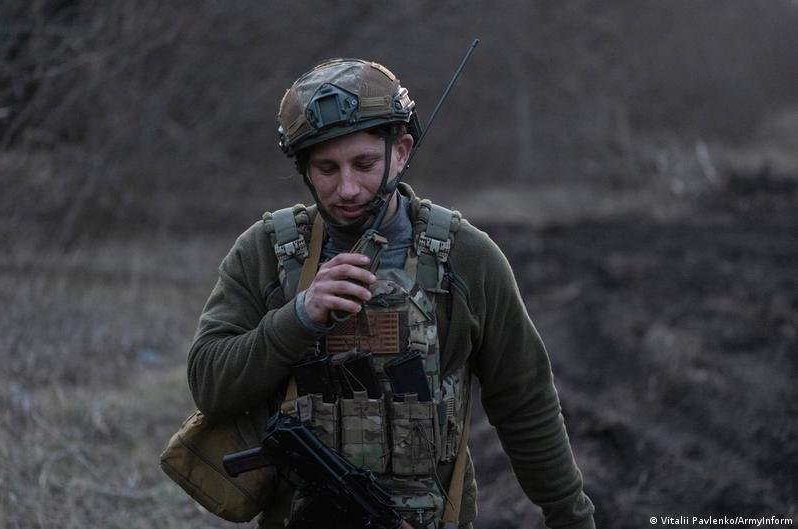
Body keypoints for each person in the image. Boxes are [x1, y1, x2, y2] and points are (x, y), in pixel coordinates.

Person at [187, 58, 595, 529]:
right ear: (305, 170)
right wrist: (299, 317)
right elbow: (209, 384)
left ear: (401, 152)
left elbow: (524, 400)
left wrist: (571, 517)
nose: (347, 188)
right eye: (326, 168)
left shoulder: (466, 258)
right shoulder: (266, 252)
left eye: (364, 164)